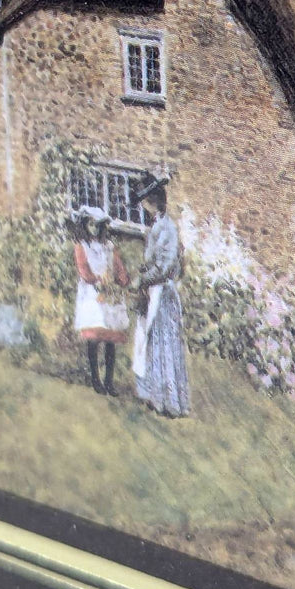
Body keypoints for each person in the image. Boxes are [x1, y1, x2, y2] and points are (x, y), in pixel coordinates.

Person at [131, 175, 190, 417]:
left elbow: (165, 266)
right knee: (149, 342)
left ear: (153, 201)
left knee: (162, 344)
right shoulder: (158, 225)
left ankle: (169, 402)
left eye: (145, 201)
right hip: (154, 290)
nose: (143, 206)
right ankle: (154, 396)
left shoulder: (166, 228)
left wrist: (143, 279)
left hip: (162, 293)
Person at [72, 206, 129, 396]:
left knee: (110, 339)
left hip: (109, 293)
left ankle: (109, 381)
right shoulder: (82, 246)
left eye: (98, 225)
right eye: (90, 224)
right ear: (85, 225)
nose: (94, 228)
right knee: (94, 337)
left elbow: (118, 267)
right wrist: (97, 280)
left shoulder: (109, 246)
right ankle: (96, 379)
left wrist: (121, 280)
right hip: (92, 294)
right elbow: (84, 270)